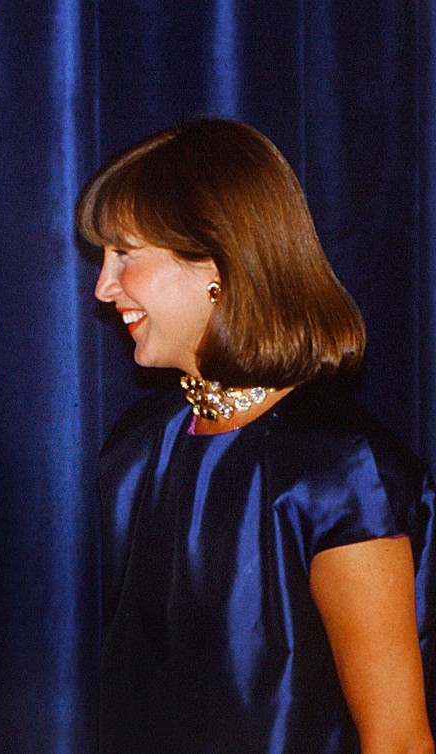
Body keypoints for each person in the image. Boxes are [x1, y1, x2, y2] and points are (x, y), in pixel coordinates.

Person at [76, 119, 435, 753]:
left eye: (125, 254)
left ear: (217, 264)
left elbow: (398, 741)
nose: (104, 288)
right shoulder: (136, 449)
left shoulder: (338, 471)